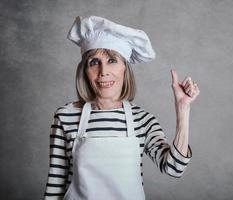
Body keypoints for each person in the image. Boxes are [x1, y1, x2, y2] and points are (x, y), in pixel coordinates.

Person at [44, 15, 200, 200]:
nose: (103, 72)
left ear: (124, 68)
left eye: (112, 61)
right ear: (85, 70)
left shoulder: (143, 120)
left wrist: (183, 109)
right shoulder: (65, 117)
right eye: (94, 62)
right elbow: (56, 181)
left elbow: (174, 169)